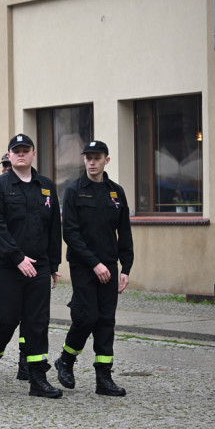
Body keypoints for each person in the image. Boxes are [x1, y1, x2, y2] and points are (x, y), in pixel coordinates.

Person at [0, 134, 63, 399]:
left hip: (38, 266)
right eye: (16, 151)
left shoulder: (46, 186)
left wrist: (54, 263)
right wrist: (17, 258)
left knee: (37, 322)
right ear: (9, 155)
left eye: (25, 150)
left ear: (33, 153)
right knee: (3, 321)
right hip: (5, 266)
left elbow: (52, 228)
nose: (21, 154)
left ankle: (38, 380)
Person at [55, 140, 134, 397]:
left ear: (106, 160)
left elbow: (124, 232)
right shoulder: (75, 190)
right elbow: (71, 233)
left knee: (105, 321)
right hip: (83, 265)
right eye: (88, 157)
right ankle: (66, 359)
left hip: (109, 266)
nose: (92, 161)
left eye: (97, 157)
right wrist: (94, 263)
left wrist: (126, 266)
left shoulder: (116, 192)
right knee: (87, 316)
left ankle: (104, 378)